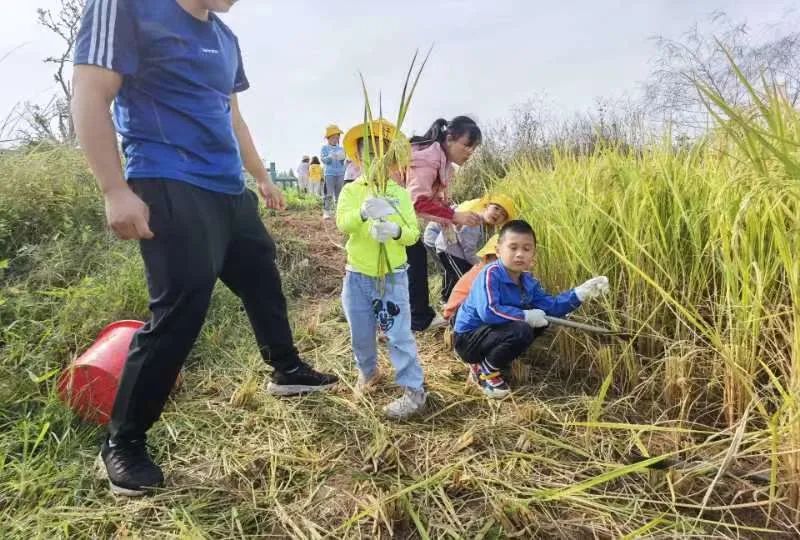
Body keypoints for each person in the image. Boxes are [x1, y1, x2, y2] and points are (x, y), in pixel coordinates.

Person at [71, 0, 338, 497]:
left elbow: (233, 116)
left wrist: (260, 178)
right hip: (167, 177)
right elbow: (89, 91)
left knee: (261, 275)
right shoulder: (128, 7)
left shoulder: (226, 38)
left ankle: (286, 368)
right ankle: (123, 442)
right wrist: (114, 189)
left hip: (227, 188)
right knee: (182, 305)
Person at [453, 220, 609, 399]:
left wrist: (580, 293)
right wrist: (524, 315)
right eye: (513, 248)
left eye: (526, 249)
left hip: (490, 335)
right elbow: (488, 312)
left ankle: (489, 361)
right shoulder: (490, 275)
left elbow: (552, 308)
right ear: (498, 250)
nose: (519, 254)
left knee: (541, 321)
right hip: (468, 340)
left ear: (533, 254)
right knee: (523, 327)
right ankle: (484, 371)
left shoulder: (528, 282)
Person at [336, 119, 427, 420]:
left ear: (392, 159)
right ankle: (369, 372)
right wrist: (363, 213)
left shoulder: (398, 194)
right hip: (357, 275)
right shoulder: (352, 191)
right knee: (360, 333)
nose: (376, 160)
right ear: (359, 158)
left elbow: (413, 232)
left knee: (399, 334)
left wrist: (395, 231)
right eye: (369, 154)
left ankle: (415, 392)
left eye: (382, 154)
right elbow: (342, 223)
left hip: (392, 275)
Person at [404, 116, 483, 332]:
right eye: (467, 145)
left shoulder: (443, 162)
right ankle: (418, 317)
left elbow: (434, 200)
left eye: (473, 149)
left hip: (395, 214)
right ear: (449, 138)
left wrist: (450, 215)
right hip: (384, 211)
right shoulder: (429, 158)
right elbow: (417, 202)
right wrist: (455, 216)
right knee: (414, 255)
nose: (470, 153)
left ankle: (410, 315)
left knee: (411, 257)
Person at [425, 193, 516, 303]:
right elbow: (469, 250)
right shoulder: (474, 221)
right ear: (486, 206)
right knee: (462, 278)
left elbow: (484, 248)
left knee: (454, 274)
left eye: (502, 214)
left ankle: (446, 299)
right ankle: (451, 302)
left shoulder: (489, 227)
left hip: (459, 252)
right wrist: (479, 265)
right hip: (450, 249)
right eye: (496, 208)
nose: (497, 214)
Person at [442, 234, 498, 321]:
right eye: (497, 258)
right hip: (457, 315)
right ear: (487, 257)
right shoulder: (484, 276)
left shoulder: (488, 270)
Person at [321, 125, 346, 219]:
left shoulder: (341, 149)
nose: (336, 139)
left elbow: (342, 162)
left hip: (340, 173)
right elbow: (324, 160)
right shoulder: (325, 148)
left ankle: (338, 212)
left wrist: (342, 158)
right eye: (333, 137)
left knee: (339, 194)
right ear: (328, 138)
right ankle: (326, 212)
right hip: (329, 174)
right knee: (329, 193)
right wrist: (329, 157)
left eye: (337, 137)